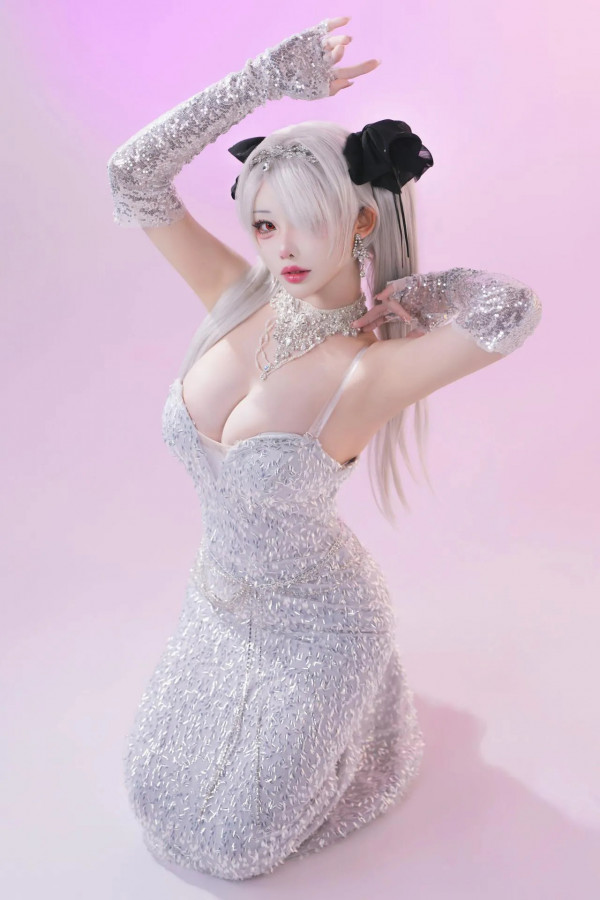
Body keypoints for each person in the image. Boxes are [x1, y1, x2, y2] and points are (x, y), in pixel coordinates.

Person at [107, 14, 542, 882]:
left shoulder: (367, 371)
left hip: (324, 628)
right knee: (151, 787)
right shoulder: (235, 295)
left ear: (361, 220)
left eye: (308, 223)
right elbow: (131, 176)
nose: (284, 248)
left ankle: (361, 724)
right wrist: (258, 82)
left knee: (236, 846)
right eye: (266, 224)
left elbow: (513, 312)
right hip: (217, 603)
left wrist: (425, 292)